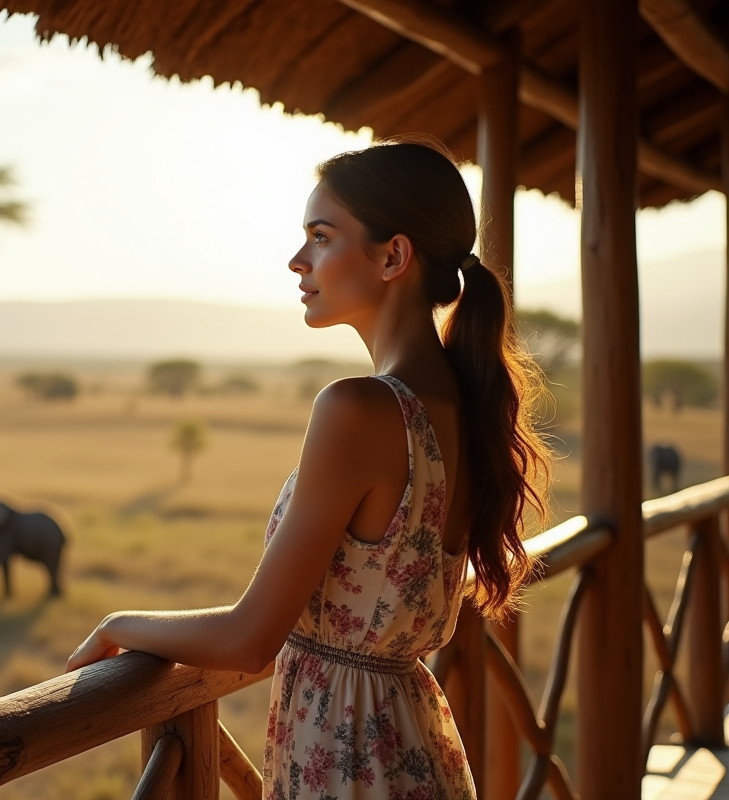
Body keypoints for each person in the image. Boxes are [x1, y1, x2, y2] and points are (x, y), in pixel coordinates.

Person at [66, 140, 551, 799]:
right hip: (412, 750)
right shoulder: (462, 403)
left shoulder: (359, 408)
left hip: (350, 763)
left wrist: (119, 623)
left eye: (321, 238)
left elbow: (249, 638)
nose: (298, 261)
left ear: (393, 256)